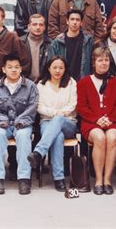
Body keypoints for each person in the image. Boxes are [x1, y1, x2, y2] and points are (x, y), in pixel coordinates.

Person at [0, 54, 39, 195]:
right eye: (10, 67)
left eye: (16, 67)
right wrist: (0, 121)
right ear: (4, 69)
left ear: (21, 69)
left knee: (23, 137)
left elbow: (32, 108)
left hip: (22, 124)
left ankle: (24, 179)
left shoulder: (30, 86)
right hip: (2, 124)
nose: (13, 70)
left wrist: (21, 121)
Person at [77, 47, 116, 195]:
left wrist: (108, 119)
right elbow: (81, 106)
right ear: (93, 63)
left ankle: (107, 180)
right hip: (91, 122)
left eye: (106, 60)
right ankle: (98, 180)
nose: (104, 63)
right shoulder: (84, 82)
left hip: (113, 121)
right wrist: (97, 120)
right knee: (99, 137)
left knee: (112, 137)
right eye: (100, 60)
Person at [27, 56, 78, 192]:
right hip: (47, 122)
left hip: (68, 122)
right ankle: (59, 179)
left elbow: (72, 105)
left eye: (61, 67)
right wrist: (56, 113)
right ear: (48, 68)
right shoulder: (41, 85)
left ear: (65, 69)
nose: (57, 70)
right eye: (54, 67)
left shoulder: (71, 83)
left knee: (59, 120)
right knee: (58, 137)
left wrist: (58, 115)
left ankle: (38, 152)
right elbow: (39, 106)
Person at [0, 6, 31, 85]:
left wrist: (12, 82)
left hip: (4, 86)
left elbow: (25, 63)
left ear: (3, 20)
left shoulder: (12, 38)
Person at [48, 9, 94, 81]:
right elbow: (51, 65)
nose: (75, 22)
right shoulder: (57, 42)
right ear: (67, 21)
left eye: (77, 20)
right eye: (72, 19)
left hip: (83, 81)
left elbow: (92, 63)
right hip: (63, 82)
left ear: (81, 22)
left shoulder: (88, 41)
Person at [20, 14, 52, 82]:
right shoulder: (20, 42)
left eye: (41, 25)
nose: (38, 27)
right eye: (34, 24)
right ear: (29, 26)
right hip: (24, 83)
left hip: (44, 83)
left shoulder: (50, 43)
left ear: (44, 27)